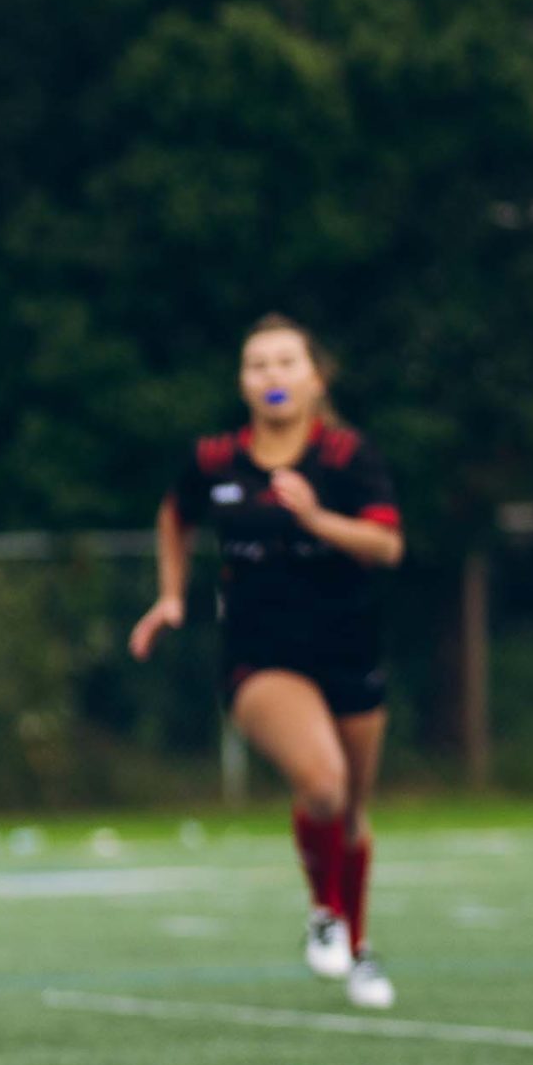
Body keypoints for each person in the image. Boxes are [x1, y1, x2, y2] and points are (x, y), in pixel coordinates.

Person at [130, 314, 403, 1008]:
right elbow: (174, 516)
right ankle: (323, 912)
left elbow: (386, 545)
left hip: (349, 649)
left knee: (352, 810)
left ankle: (358, 945)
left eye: (286, 363)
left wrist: (315, 519)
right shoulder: (216, 460)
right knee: (323, 784)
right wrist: (171, 595)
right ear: (243, 382)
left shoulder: (347, 456)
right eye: (258, 365)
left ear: (316, 378)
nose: (272, 376)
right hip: (260, 657)